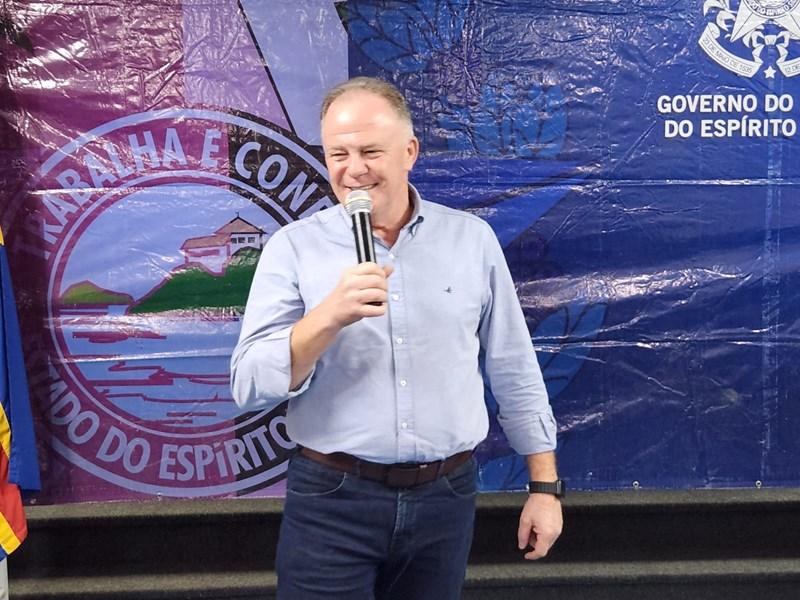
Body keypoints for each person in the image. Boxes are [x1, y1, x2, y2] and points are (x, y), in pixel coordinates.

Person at [230, 76, 563, 599]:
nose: (353, 169)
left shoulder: (470, 240)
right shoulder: (292, 249)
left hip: (445, 499)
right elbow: (249, 385)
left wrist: (544, 488)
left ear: (410, 152)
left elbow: (513, 366)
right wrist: (327, 318)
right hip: (332, 499)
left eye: (370, 151)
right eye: (338, 153)